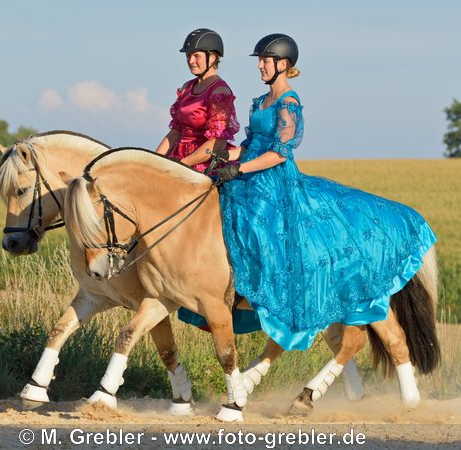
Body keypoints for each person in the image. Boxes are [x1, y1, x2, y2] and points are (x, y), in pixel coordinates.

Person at [212, 33, 437, 351]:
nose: (260, 66)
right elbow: (250, 146)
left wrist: (240, 169)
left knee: (259, 223)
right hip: (250, 175)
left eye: (264, 60)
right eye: (259, 60)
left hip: (274, 182)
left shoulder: (289, 102)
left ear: (282, 64)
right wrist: (228, 157)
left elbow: (280, 152)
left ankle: (264, 288)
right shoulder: (258, 102)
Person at [156, 28, 239, 173]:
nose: (190, 61)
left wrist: (184, 164)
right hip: (179, 157)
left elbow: (218, 142)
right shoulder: (187, 87)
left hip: (203, 162)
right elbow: (175, 132)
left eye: (196, 56)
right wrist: (153, 161)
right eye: (188, 56)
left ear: (212, 57)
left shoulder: (220, 92)